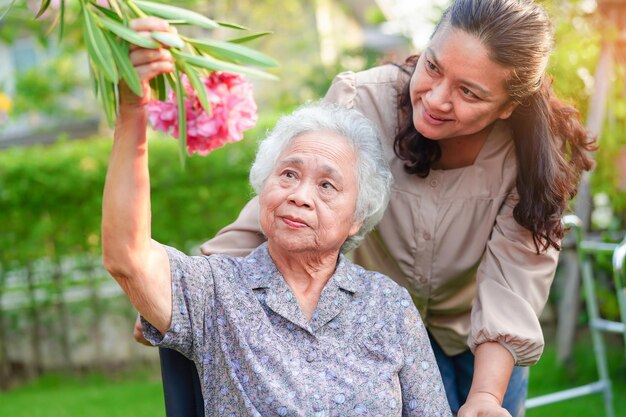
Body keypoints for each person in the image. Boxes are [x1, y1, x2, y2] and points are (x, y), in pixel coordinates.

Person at [195, 1, 597, 416]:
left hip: (487, 342)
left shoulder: (529, 157)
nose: (437, 99)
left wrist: (485, 397)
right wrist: (194, 294)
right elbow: (291, 198)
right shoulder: (361, 102)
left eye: (468, 92)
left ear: (508, 106)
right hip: (379, 335)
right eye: (434, 67)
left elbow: (512, 281)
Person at [103, 18, 452, 415]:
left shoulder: (388, 306)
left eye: (326, 186)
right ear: (263, 186)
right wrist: (133, 109)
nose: (299, 195)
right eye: (288, 174)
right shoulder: (216, 293)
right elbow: (126, 257)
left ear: (357, 217)